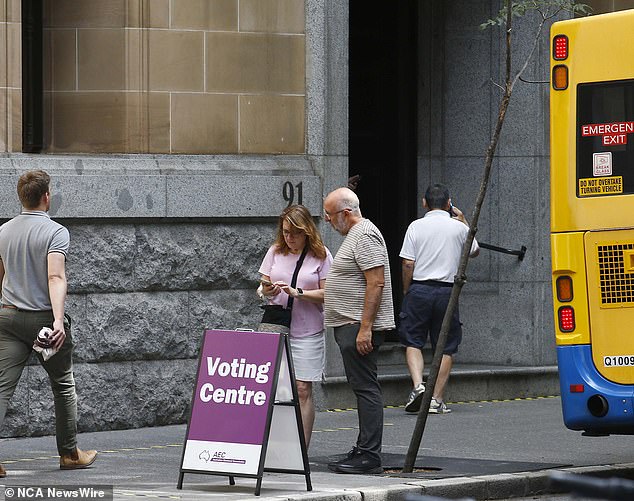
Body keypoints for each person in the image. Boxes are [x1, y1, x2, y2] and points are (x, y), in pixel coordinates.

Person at [0, 170, 97, 477]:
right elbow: (55, 276)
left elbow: (1, 277)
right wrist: (58, 320)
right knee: (63, 385)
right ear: (46, 197)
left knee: (2, 388)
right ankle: (69, 454)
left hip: (9, 317)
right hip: (43, 322)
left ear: (21, 197)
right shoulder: (56, 232)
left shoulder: (3, 232)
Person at [323, 187, 394, 475]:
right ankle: (364, 448)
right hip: (351, 325)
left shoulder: (364, 235)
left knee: (365, 388)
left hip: (357, 326)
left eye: (329, 215)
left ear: (346, 213)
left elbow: (375, 283)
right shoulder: (357, 235)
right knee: (362, 386)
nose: (327, 220)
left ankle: (368, 454)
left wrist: (365, 328)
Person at [399, 183, 479, 415]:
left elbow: (407, 263)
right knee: (446, 346)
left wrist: (407, 290)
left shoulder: (415, 226)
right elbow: (474, 250)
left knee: (413, 340)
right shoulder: (459, 228)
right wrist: (463, 220)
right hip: (448, 291)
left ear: (424, 203)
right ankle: (435, 399)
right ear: (448, 203)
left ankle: (417, 386)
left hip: (419, 289)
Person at [258, 205, 333, 448]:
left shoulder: (321, 256)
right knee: (277, 389)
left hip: (308, 330)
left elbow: (328, 294)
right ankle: (277, 447)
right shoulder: (275, 251)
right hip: (277, 329)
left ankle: (301, 450)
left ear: (307, 231)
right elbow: (262, 285)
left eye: (294, 233)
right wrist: (266, 290)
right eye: (285, 232)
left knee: (302, 389)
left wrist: (299, 293)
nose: (289, 238)